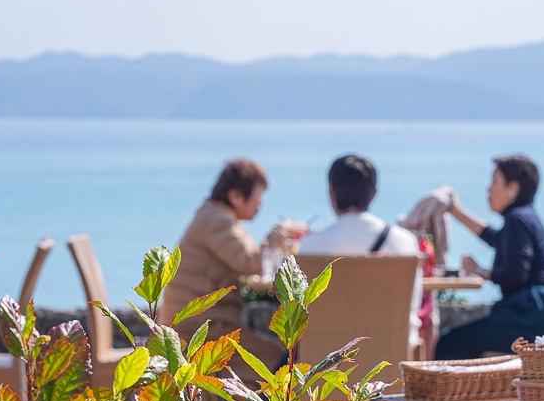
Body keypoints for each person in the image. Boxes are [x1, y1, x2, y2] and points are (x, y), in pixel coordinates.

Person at [437, 154, 544, 401]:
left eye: (494, 182)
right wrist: (457, 212)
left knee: (449, 344)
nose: (488, 189)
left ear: (512, 187)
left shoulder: (517, 219)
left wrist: (481, 272)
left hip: (537, 315)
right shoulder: (523, 217)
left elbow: (515, 273)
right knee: (464, 344)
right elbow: (495, 239)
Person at [159, 159, 303, 379]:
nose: (261, 202)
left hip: (198, 323)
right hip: (198, 329)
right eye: (257, 195)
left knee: (273, 358)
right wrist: (280, 233)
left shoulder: (215, 216)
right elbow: (249, 262)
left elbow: (241, 268)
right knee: (278, 363)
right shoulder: (217, 222)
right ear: (236, 195)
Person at [297, 154, 423, 342]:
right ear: (374, 194)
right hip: (391, 351)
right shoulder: (405, 242)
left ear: (331, 192)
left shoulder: (310, 246)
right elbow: (414, 304)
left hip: (326, 355)